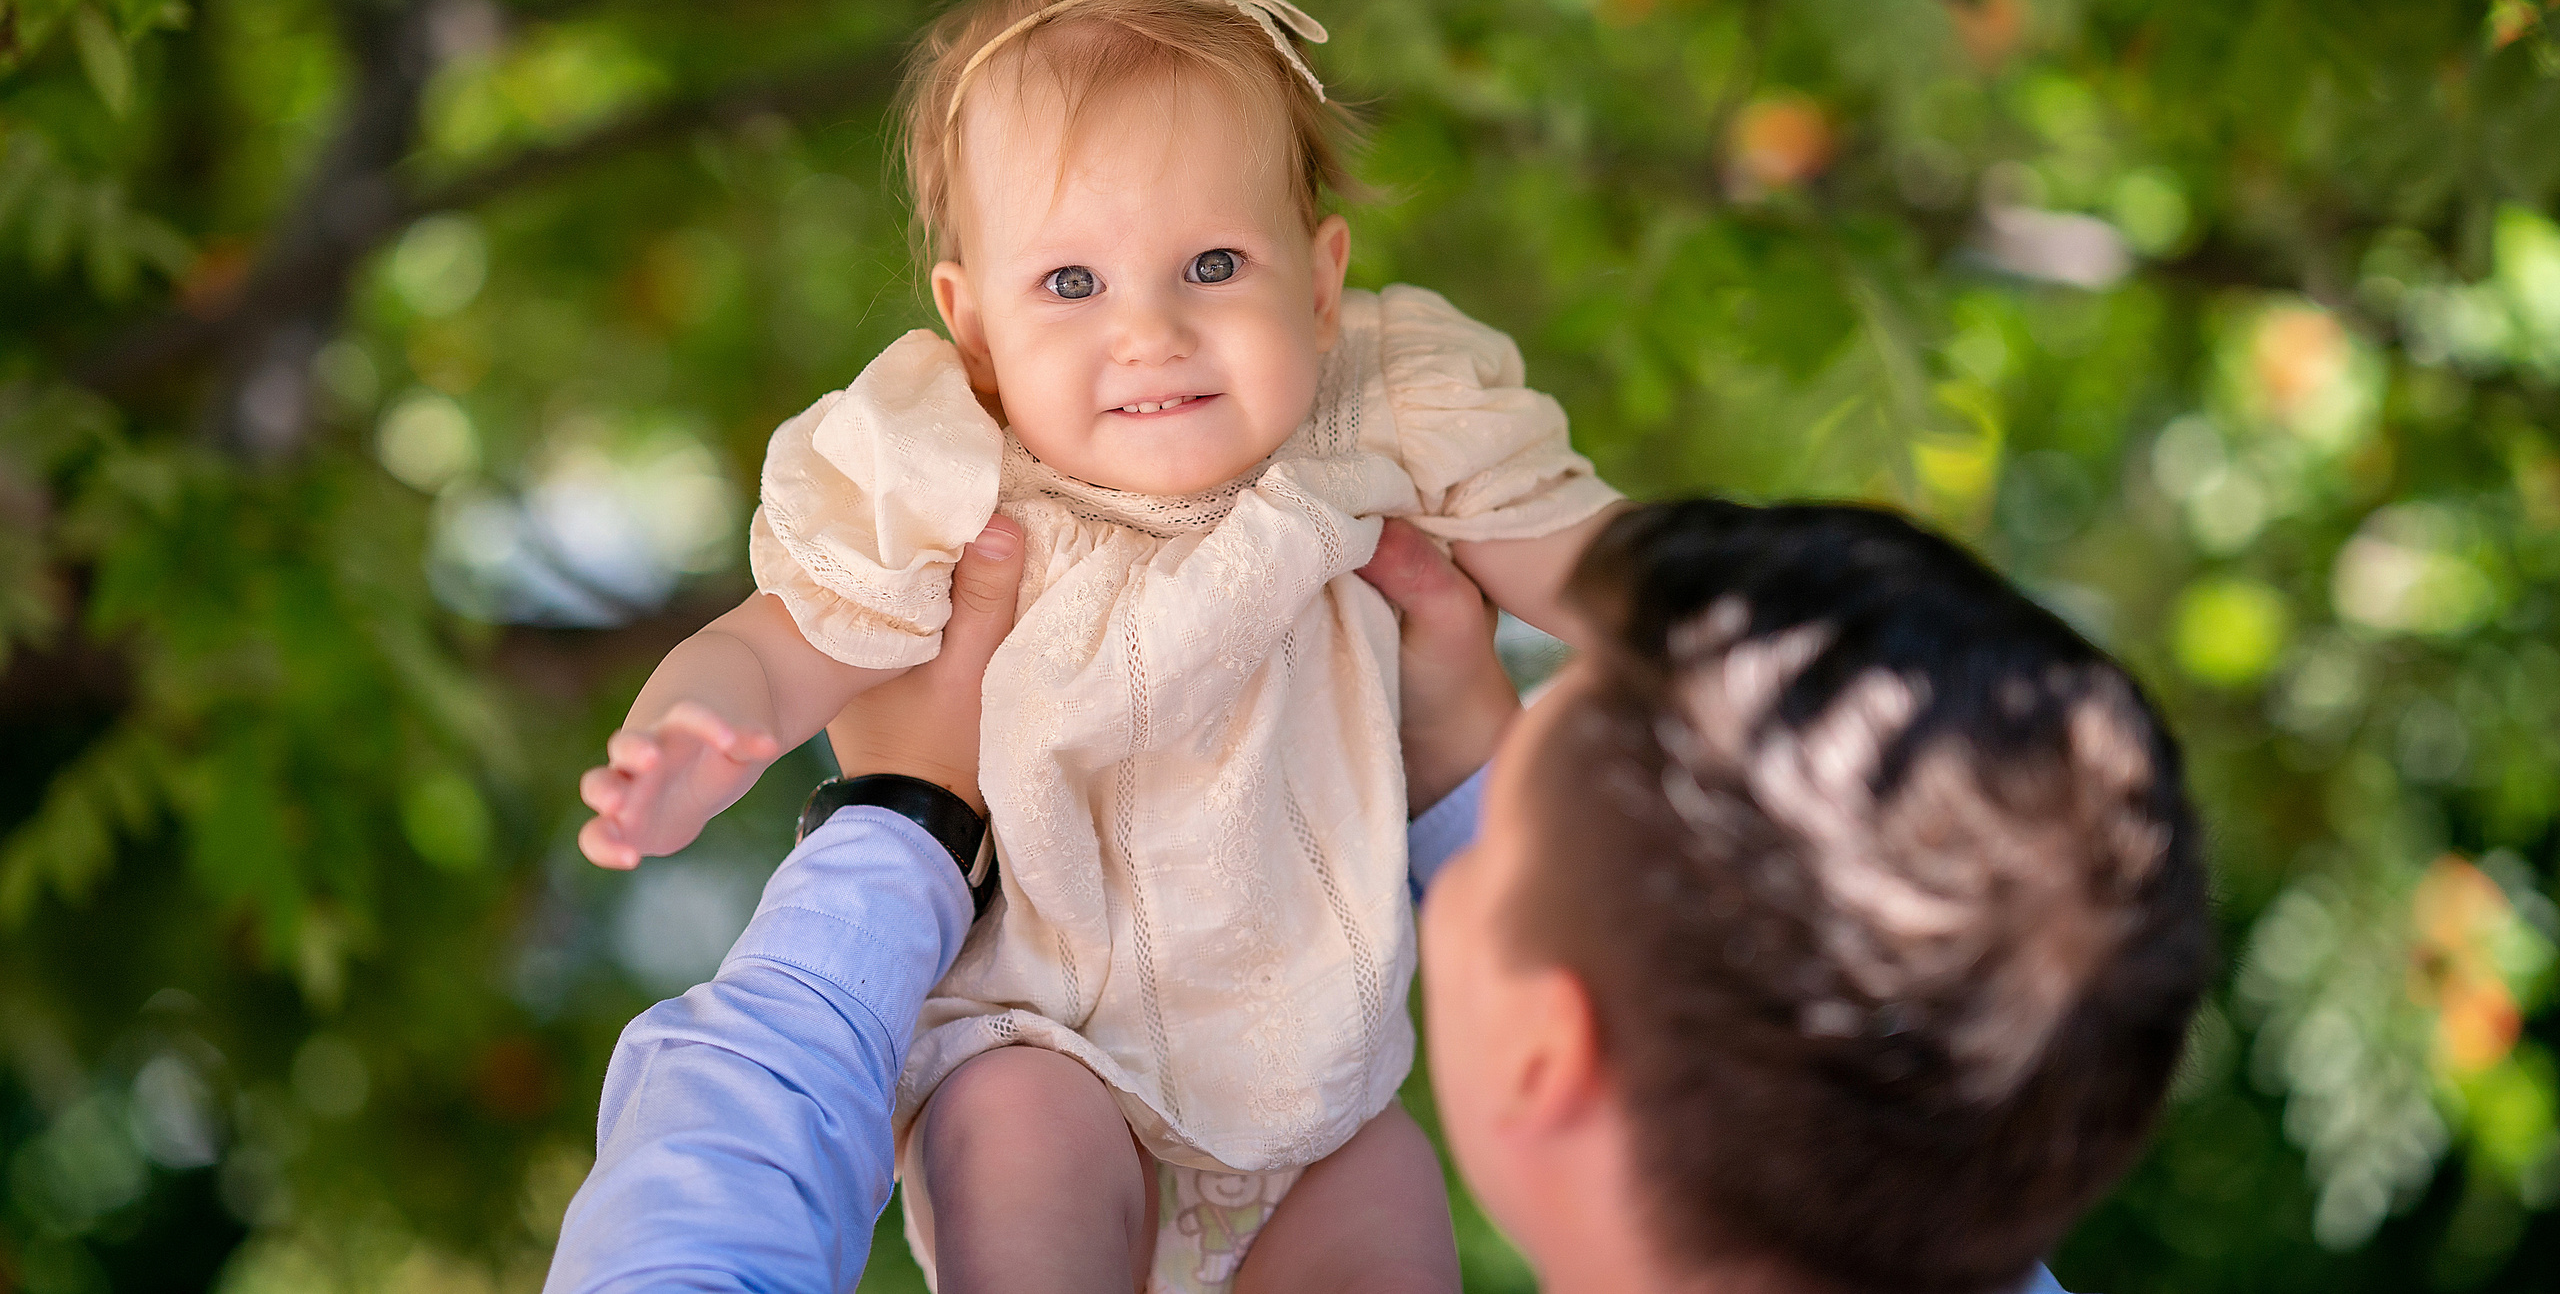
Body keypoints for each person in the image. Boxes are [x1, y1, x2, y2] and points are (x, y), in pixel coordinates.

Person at [570, 0, 1621, 1293]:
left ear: (1319, 285)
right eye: (1070, 282)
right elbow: (779, 645)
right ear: (975, 325)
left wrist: (1778, 631)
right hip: (1040, 1046)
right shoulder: (946, 475)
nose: (1150, 331)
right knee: (1021, 1132)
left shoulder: (1390, 412)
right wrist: (702, 729)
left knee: (1393, 1186)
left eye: (1214, 266)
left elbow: (1599, 564)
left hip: (1316, 1103)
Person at [550, 499, 2211, 1294]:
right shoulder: (1945, 1162)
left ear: (1552, 1051)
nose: (1438, 854)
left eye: (1486, 859)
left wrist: (903, 822)